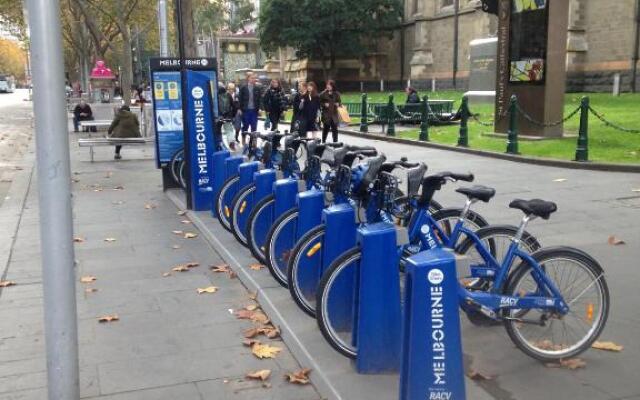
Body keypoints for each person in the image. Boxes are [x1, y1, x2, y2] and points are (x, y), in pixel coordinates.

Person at [238, 73, 262, 145]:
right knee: (245, 125)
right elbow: (240, 99)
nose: (253, 79)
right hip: (245, 110)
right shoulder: (243, 87)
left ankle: (253, 140)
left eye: (254, 78)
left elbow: (260, 99)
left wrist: (260, 108)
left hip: (254, 110)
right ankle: (243, 138)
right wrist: (239, 108)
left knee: (254, 126)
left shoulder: (257, 88)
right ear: (248, 78)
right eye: (252, 78)